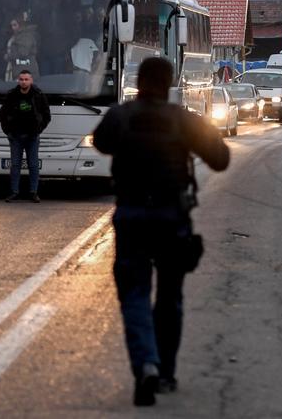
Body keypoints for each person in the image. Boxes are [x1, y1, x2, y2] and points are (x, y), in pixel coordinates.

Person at [93, 57, 230, 407]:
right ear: (169, 83)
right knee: (170, 296)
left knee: (135, 294)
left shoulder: (121, 116)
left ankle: (146, 365)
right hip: (172, 218)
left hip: (132, 216)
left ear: (138, 82)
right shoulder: (183, 120)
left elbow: (101, 142)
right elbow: (220, 159)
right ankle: (166, 373)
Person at [0, 70, 51, 203]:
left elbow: (47, 115)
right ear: (18, 80)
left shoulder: (38, 95)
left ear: (31, 80)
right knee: (15, 165)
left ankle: (33, 192)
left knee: (33, 165)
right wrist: (8, 131)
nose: (24, 82)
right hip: (16, 136)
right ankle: (14, 192)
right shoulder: (12, 95)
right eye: (21, 79)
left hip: (32, 136)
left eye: (26, 79)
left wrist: (38, 130)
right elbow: (2, 114)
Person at [4, 12, 40, 80]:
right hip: (19, 69)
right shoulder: (16, 35)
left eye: (15, 25)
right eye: (11, 25)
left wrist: (8, 56)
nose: (13, 27)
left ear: (21, 24)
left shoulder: (26, 36)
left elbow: (23, 52)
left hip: (26, 71)